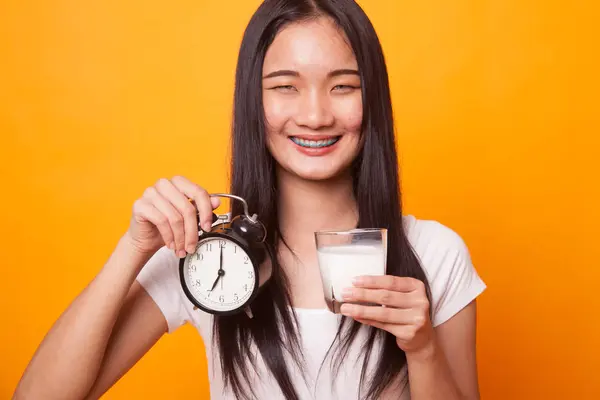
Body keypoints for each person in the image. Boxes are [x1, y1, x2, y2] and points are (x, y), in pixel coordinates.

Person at [13, 0, 486, 399]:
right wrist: (133, 248)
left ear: (374, 99)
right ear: (253, 103)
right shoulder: (209, 258)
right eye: (285, 87)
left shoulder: (436, 253)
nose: (316, 114)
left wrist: (422, 349)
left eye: (343, 86)